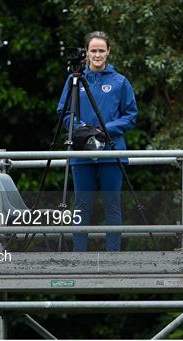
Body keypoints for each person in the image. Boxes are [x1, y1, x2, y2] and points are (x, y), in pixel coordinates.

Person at [56, 31, 138, 252]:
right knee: (82, 206)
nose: (97, 54)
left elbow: (131, 116)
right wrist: (82, 130)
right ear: (86, 53)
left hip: (111, 151)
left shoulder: (120, 82)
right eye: (93, 50)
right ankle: (78, 255)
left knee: (112, 206)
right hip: (82, 152)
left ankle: (113, 256)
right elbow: (63, 112)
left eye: (102, 50)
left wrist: (104, 129)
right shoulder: (74, 79)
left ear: (108, 52)